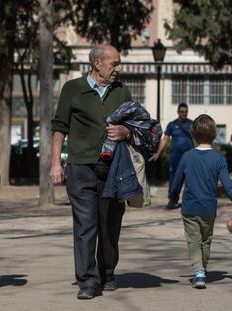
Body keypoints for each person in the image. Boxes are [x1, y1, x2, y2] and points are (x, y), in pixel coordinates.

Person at [50, 44, 132, 299]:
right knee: (85, 225)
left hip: (114, 169)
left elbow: (137, 127)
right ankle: (87, 281)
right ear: (97, 64)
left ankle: (107, 272)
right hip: (80, 168)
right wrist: (55, 163)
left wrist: (125, 132)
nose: (118, 69)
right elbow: (60, 127)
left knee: (110, 225)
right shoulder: (72, 89)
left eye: (118, 64)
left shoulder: (122, 91)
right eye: (114, 64)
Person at [169, 114, 232, 289]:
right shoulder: (218, 159)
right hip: (209, 208)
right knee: (205, 240)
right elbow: (228, 185)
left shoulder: (187, 157)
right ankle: (201, 269)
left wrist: (173, 199)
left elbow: (176, 182)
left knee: (193, 240)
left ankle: (199, 271)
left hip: (189, 207)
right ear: (214, 134)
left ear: (193, 134)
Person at [149, 103, 194, 209]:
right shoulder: (172, 124)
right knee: (174, 179)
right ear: (178, 112)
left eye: (186, 112)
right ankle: (172, 200)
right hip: (175, 157)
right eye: (182, 112)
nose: (184, 113)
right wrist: (158, 153)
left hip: (189, 157)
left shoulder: (192, 124)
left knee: (190, 179)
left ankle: (190, 201)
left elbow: (197, 138)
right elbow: (165, 139)